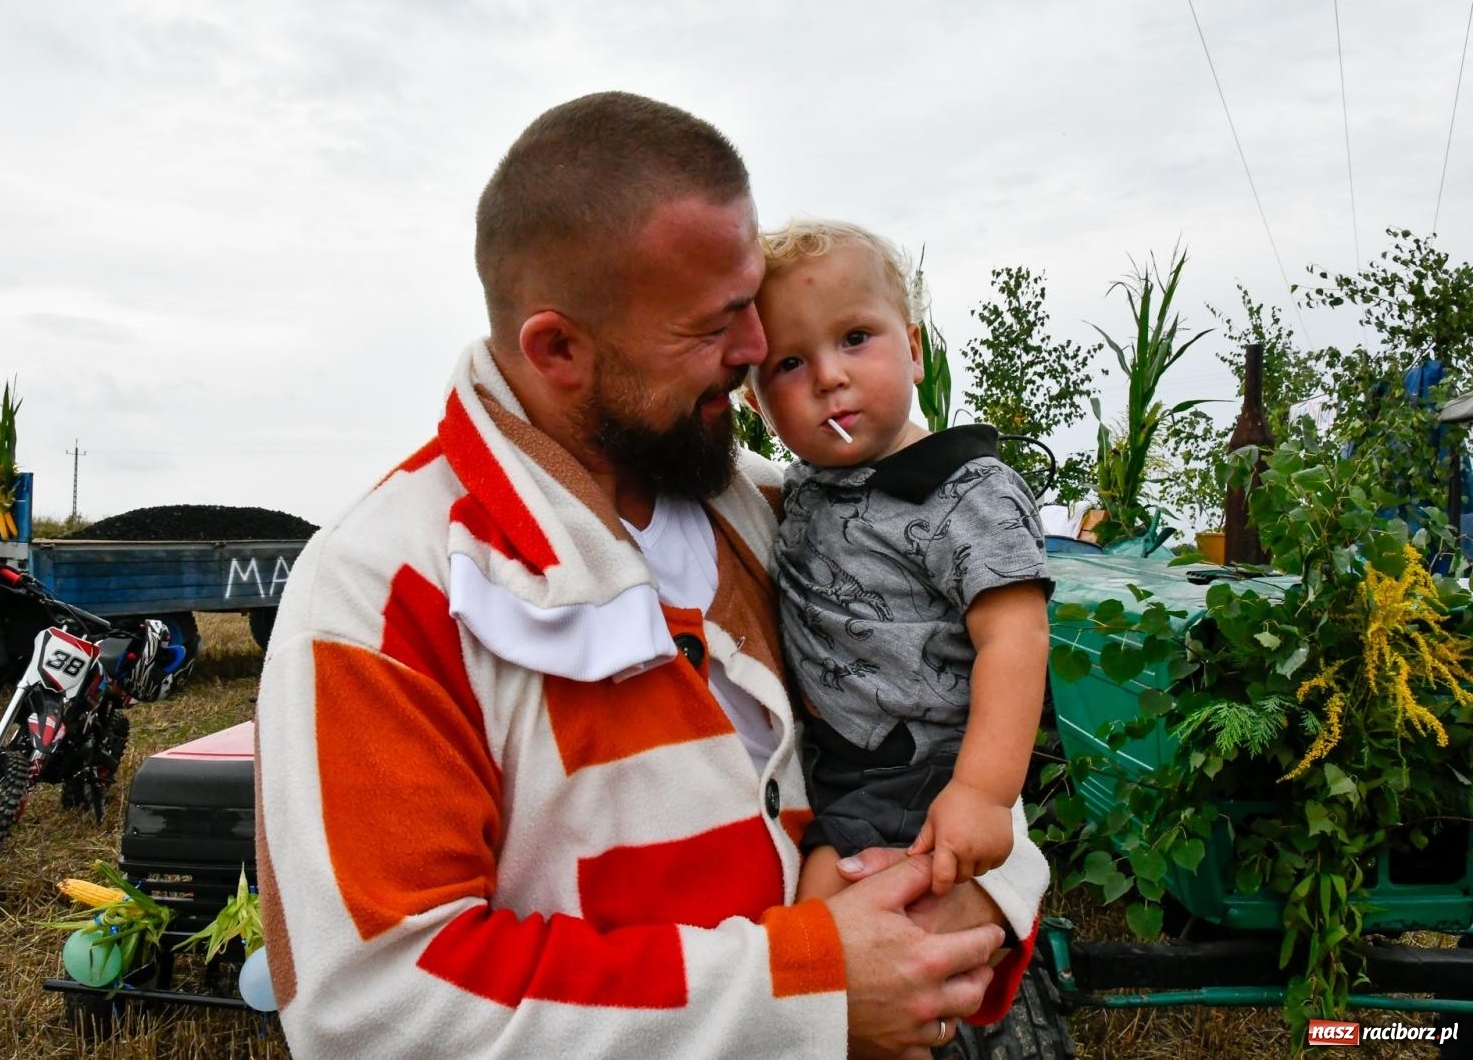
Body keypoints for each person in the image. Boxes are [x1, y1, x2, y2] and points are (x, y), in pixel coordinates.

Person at [254, 93, 1043, 1059]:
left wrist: (972, 898)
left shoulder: (775, 511)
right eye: (712, 325)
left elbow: (942, 736)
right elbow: (373, 1009)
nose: (757, 351)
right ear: (559, 349)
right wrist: (807, 992)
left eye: (749, 300)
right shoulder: (384, 592)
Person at [745, 219, 1051, 917]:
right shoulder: (800, 488)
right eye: (788, 365)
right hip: (828, 759)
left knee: (824, 911)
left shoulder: (967, 490)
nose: (829, 376)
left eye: (855, 338)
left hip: (916, 769)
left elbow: (1016, 638)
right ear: (753, 402)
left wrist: (980, 793)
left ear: (913, 349)